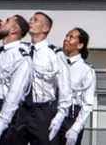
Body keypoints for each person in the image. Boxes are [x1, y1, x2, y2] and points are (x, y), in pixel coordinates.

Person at [21, 12, 72, 145]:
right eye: (31, 19)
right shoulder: (22, 50)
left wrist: (60, 116)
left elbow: (64, 87)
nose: (30, 22)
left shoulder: (54, 54)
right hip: (20, 108)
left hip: (42, 110)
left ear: (45, 28)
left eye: (36, 20)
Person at [0, 15, 31, 144]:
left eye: (7, 21)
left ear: (14, 30)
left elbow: (14, 94)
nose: (2, 23)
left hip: (6, 113)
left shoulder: (20, 56)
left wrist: (0, 124)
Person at [58, 28, 95, 145]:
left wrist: (75, 128)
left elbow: (88, 103)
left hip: (71, 115)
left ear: (80, 45)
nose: (66, 39)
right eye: (66, 36)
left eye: (71, 37)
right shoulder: (57, 63)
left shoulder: (86, 70)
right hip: (52, 111)